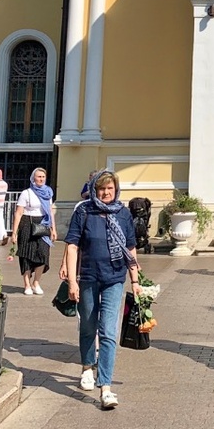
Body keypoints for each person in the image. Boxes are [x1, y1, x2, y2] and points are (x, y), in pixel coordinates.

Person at [63, 170, 139, 410]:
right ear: (94, 189)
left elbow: (131, 248)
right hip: (88, 277)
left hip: (114, 279)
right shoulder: (84, 211)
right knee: (88, 324)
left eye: (110, 188)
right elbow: (72, 245)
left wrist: (135, 281)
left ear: (116, 190)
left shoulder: (123, 213)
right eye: (101, 189)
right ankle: (87, 366)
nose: (106, 193)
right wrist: (72, 282)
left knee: (107, 331)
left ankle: (105, 387)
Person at [9, 168, 55, 296]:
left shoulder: (47, 193)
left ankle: (36, 282)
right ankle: (27, 285)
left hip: (43, 225)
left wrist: (53, 229)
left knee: (43, 254)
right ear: (33, 178)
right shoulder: (26, 193)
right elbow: (18, 213)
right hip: (27, 224)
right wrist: (14, 232)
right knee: (26, 255)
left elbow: (50, 212)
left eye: (43, 177)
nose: (41, 179)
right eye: (38, 176)